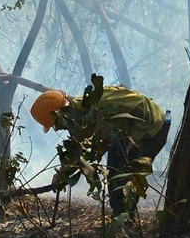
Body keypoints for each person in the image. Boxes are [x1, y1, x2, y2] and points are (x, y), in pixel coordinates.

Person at [31, 84, 171, 217]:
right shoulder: (80, 116)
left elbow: (143, 108)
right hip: (125, 133)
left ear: (63, 113)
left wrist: (133, 141)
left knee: (124, 176)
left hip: (152, 129)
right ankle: (119, 216)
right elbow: (80, 149)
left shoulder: (101, 106)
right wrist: (62, 174)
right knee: (113, 176)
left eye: (56, 123)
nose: (58, 128)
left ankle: (127, 221)